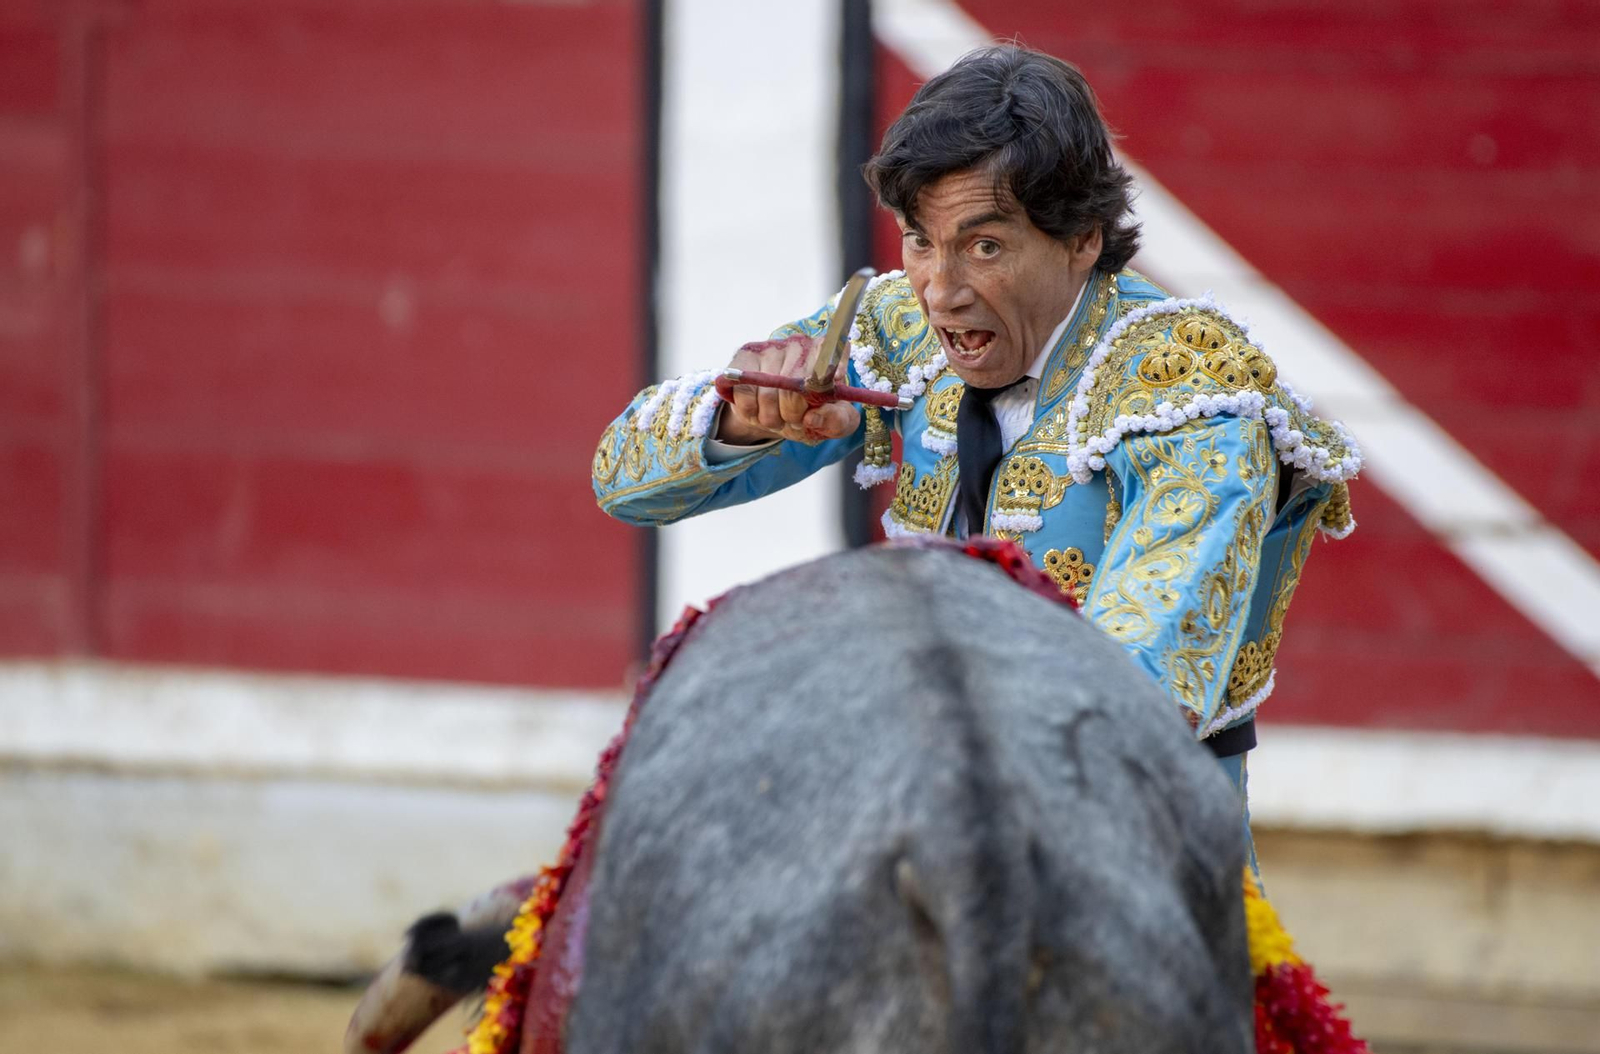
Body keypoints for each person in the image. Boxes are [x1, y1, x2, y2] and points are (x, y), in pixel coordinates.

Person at [590, 44, 1360, 855]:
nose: (940, 290)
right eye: (919, 241)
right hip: (916, 812)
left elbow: (1133, 698)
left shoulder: (1187, 391)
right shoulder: (898, 326)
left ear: (1083, 237)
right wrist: (750, 417)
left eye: (984, 246)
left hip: (1134, 850)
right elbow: (623, 477)